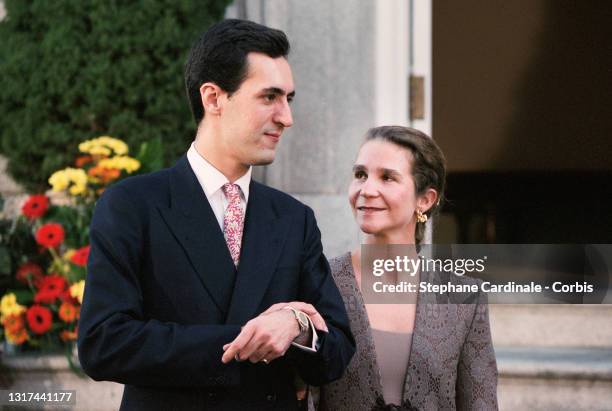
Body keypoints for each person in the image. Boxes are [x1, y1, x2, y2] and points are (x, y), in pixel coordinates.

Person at [77, 19, 355, 411]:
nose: (286, 117)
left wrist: (298, 326)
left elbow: (338, 349)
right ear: (213, 98)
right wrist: (248, 339)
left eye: (288, 98)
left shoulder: (293, 219)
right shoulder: (132, 205)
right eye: (269, 97)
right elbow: (103, 343)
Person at [315, 126, 498, 410]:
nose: (367, 189)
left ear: (425, 200)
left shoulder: (464, 297)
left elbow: (480, 403)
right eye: (360, 175)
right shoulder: (318, 282)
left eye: (387, 177)